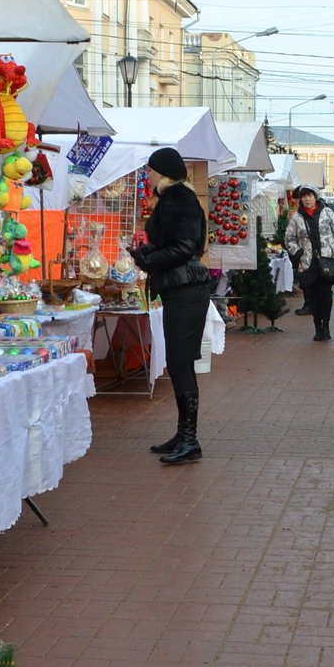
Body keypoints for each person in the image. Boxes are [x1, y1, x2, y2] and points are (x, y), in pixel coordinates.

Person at [129, 147, 211, 465]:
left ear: (162, 172)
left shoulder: (177, 197)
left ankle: (190, 441)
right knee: (178, 363)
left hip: (187, 288)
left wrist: (146, 258)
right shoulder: (174, 197)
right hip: (181, 288)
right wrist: (147, 254)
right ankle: (183, 435)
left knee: (180, 362)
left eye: (150, 169)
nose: (147, 175)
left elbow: (185, 246)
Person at [282, 184, 334, 342]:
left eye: (310, 195)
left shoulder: (327, 213)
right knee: (312, 297)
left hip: (327, 261)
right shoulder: (296, 217)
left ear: (316, 197)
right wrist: (299, 253)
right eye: (304, 196)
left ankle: (325, 326)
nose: (307, 199)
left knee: (325, 296)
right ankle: (317, 328)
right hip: (308, 264)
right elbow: (289, 239)